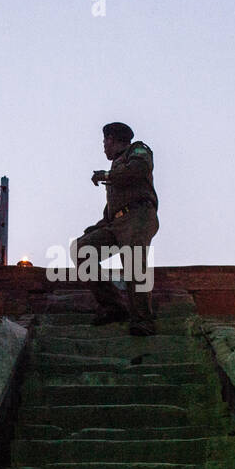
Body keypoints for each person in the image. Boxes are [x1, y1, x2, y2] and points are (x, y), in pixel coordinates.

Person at [71, 122, 159, 336]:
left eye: (104, 142)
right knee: (82, 248)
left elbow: (138, 170)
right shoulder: (116, 168)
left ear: (112, 139)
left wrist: (106, 176)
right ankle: (113, 306)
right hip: (117, 222)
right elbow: (112, 210)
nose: (103, 147)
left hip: (139, 215)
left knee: (133, 260)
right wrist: (97, 228)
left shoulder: (138, 150)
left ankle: (142, 319)